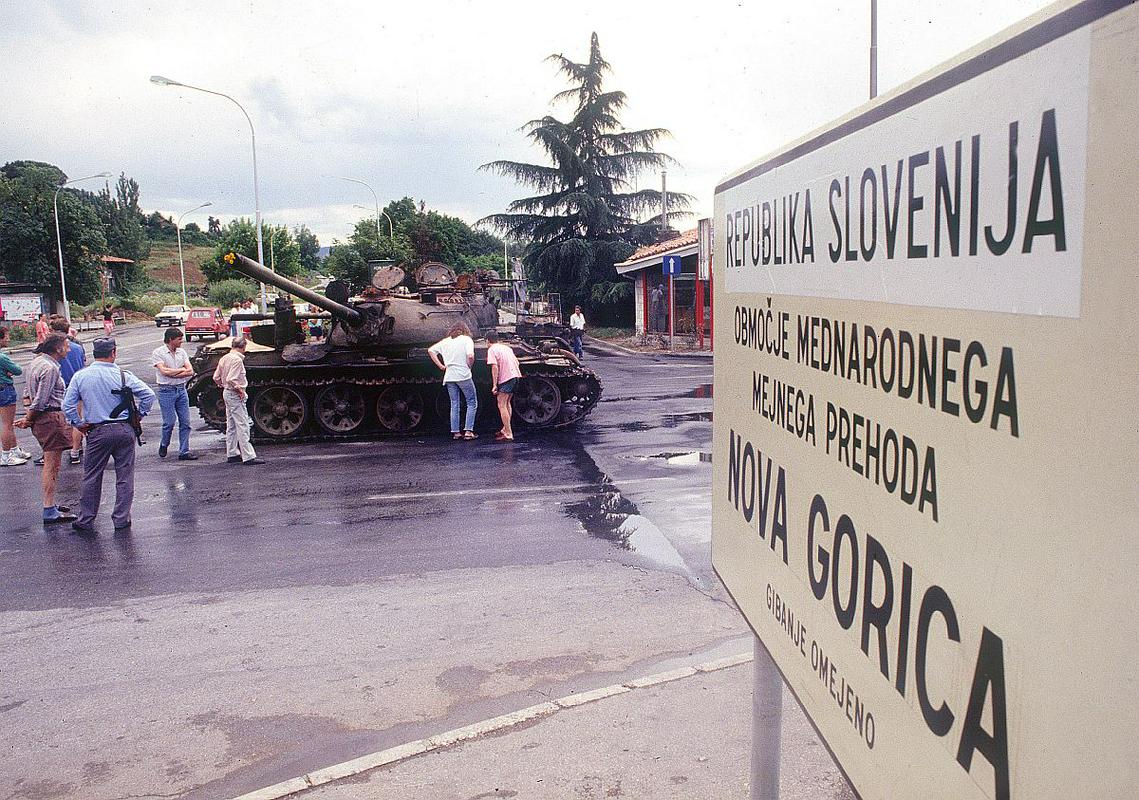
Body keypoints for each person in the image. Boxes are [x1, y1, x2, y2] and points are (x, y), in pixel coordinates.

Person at [63, 338, 155, 533]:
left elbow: (68, 405)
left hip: (96, 430)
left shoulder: (81, 376)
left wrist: (78, 424)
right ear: (113, 352)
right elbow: (148, 395)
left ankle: (86, 519)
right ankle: (121, 519)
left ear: (94, 354)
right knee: (125, 475)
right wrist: (139, 415)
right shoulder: (123, 375)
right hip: (124, 429)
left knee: (92, 476)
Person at [14, 335, 78, 524]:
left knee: (53, 463)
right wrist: (28, 419)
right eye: (66, 347)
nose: (69, 350)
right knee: (52, 464)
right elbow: (41, 400)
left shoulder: (36, 362)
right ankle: (49, 508)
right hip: (50, 418)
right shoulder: (50, 368)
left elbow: (28, 394)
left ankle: (51, 504)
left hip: (43, 418)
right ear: (57, 349)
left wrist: (29, 416)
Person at [212, 337, 263, 464]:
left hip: (227, 392)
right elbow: (231, 378)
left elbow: (216, 377)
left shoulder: (224, 358)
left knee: (232, 425)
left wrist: (222, 385)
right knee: (242, 424)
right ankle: (248, 456)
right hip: (234, 393)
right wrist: (240, 390)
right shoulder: (237, 360)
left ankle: (232, 452)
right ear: (244, 346)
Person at [152, 327, 197, 460]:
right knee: (169, 422)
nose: (181, 342)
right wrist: (180, 370)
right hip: (166, 390)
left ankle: (184, 451)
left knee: (186, 422)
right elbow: (163, 372)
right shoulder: (158, 352)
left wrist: (174, 372)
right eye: (179, 339)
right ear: (171, 340)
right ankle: (164, 443)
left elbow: (190, 371)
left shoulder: (181, 352)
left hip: (181, 389)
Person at [428, 323, 477, 440]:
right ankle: (468, 431)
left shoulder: (446, 341)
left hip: (449, 376)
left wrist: (441, 366)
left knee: (454, 404)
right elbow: (470, 356)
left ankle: (456, 432)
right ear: (465, 330)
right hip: (463, 375)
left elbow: (430, 350)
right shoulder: (467, 339)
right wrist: (469, 366)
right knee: (472, 402)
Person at [50, 317, 87, 465]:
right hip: (76, 385)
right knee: (76, 419)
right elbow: (83, 362)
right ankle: (75, 450)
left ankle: (54, 450)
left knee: (56, 420)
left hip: (58, 388)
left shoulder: (53, 348)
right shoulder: (77, 347)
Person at [0, 326, 31, 466]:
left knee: (8, 423)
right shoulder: (2, 357)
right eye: (6, 336)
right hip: (5, 389)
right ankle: (6, 456)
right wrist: (8, 371)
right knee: (7, 424)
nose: (9, 339)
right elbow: (18, 370)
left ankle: (14, 449)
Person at [485, 330, 521, 442]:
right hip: (515, 375)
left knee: (501, 404)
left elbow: (494, 367)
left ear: (487, 341)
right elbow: (517, 362)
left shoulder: (492, 349)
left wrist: (495, 385)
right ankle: (505, 429)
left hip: (506, 378)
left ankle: (509, 433)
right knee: (507, 403)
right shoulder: (507, 348)